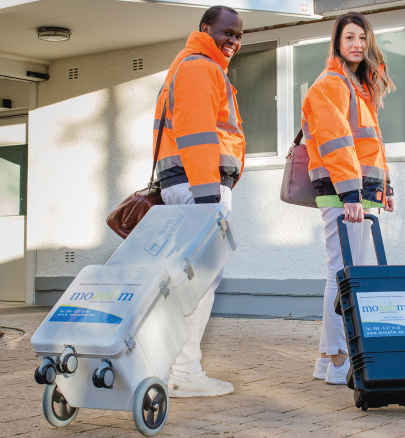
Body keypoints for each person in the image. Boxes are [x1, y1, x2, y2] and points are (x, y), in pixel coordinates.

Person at [153, 5, 245, 397]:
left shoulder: (193, 66)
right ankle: (184, 372)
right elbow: (198, 135)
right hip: (199, 188)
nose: (233, 41)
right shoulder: (199, 67)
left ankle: (173, 367)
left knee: (187, 280)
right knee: (200, 281)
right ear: (205, 28)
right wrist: (209, 199)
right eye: (227, 32)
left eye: (238, 36)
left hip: (190, 185)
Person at [301, 12, 395, 385]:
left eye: (362, 38)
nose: (357, 44)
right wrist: (351, 193)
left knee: (342, 273)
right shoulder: (332, 84)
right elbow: (336, 143)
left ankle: (328, 360)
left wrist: (384, 188)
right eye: (349, 38)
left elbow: (368, 146)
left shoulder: (356, 87)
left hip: (356, 192)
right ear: (337, 44)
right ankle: (340, 360)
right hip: (345, 194)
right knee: (342, 275)